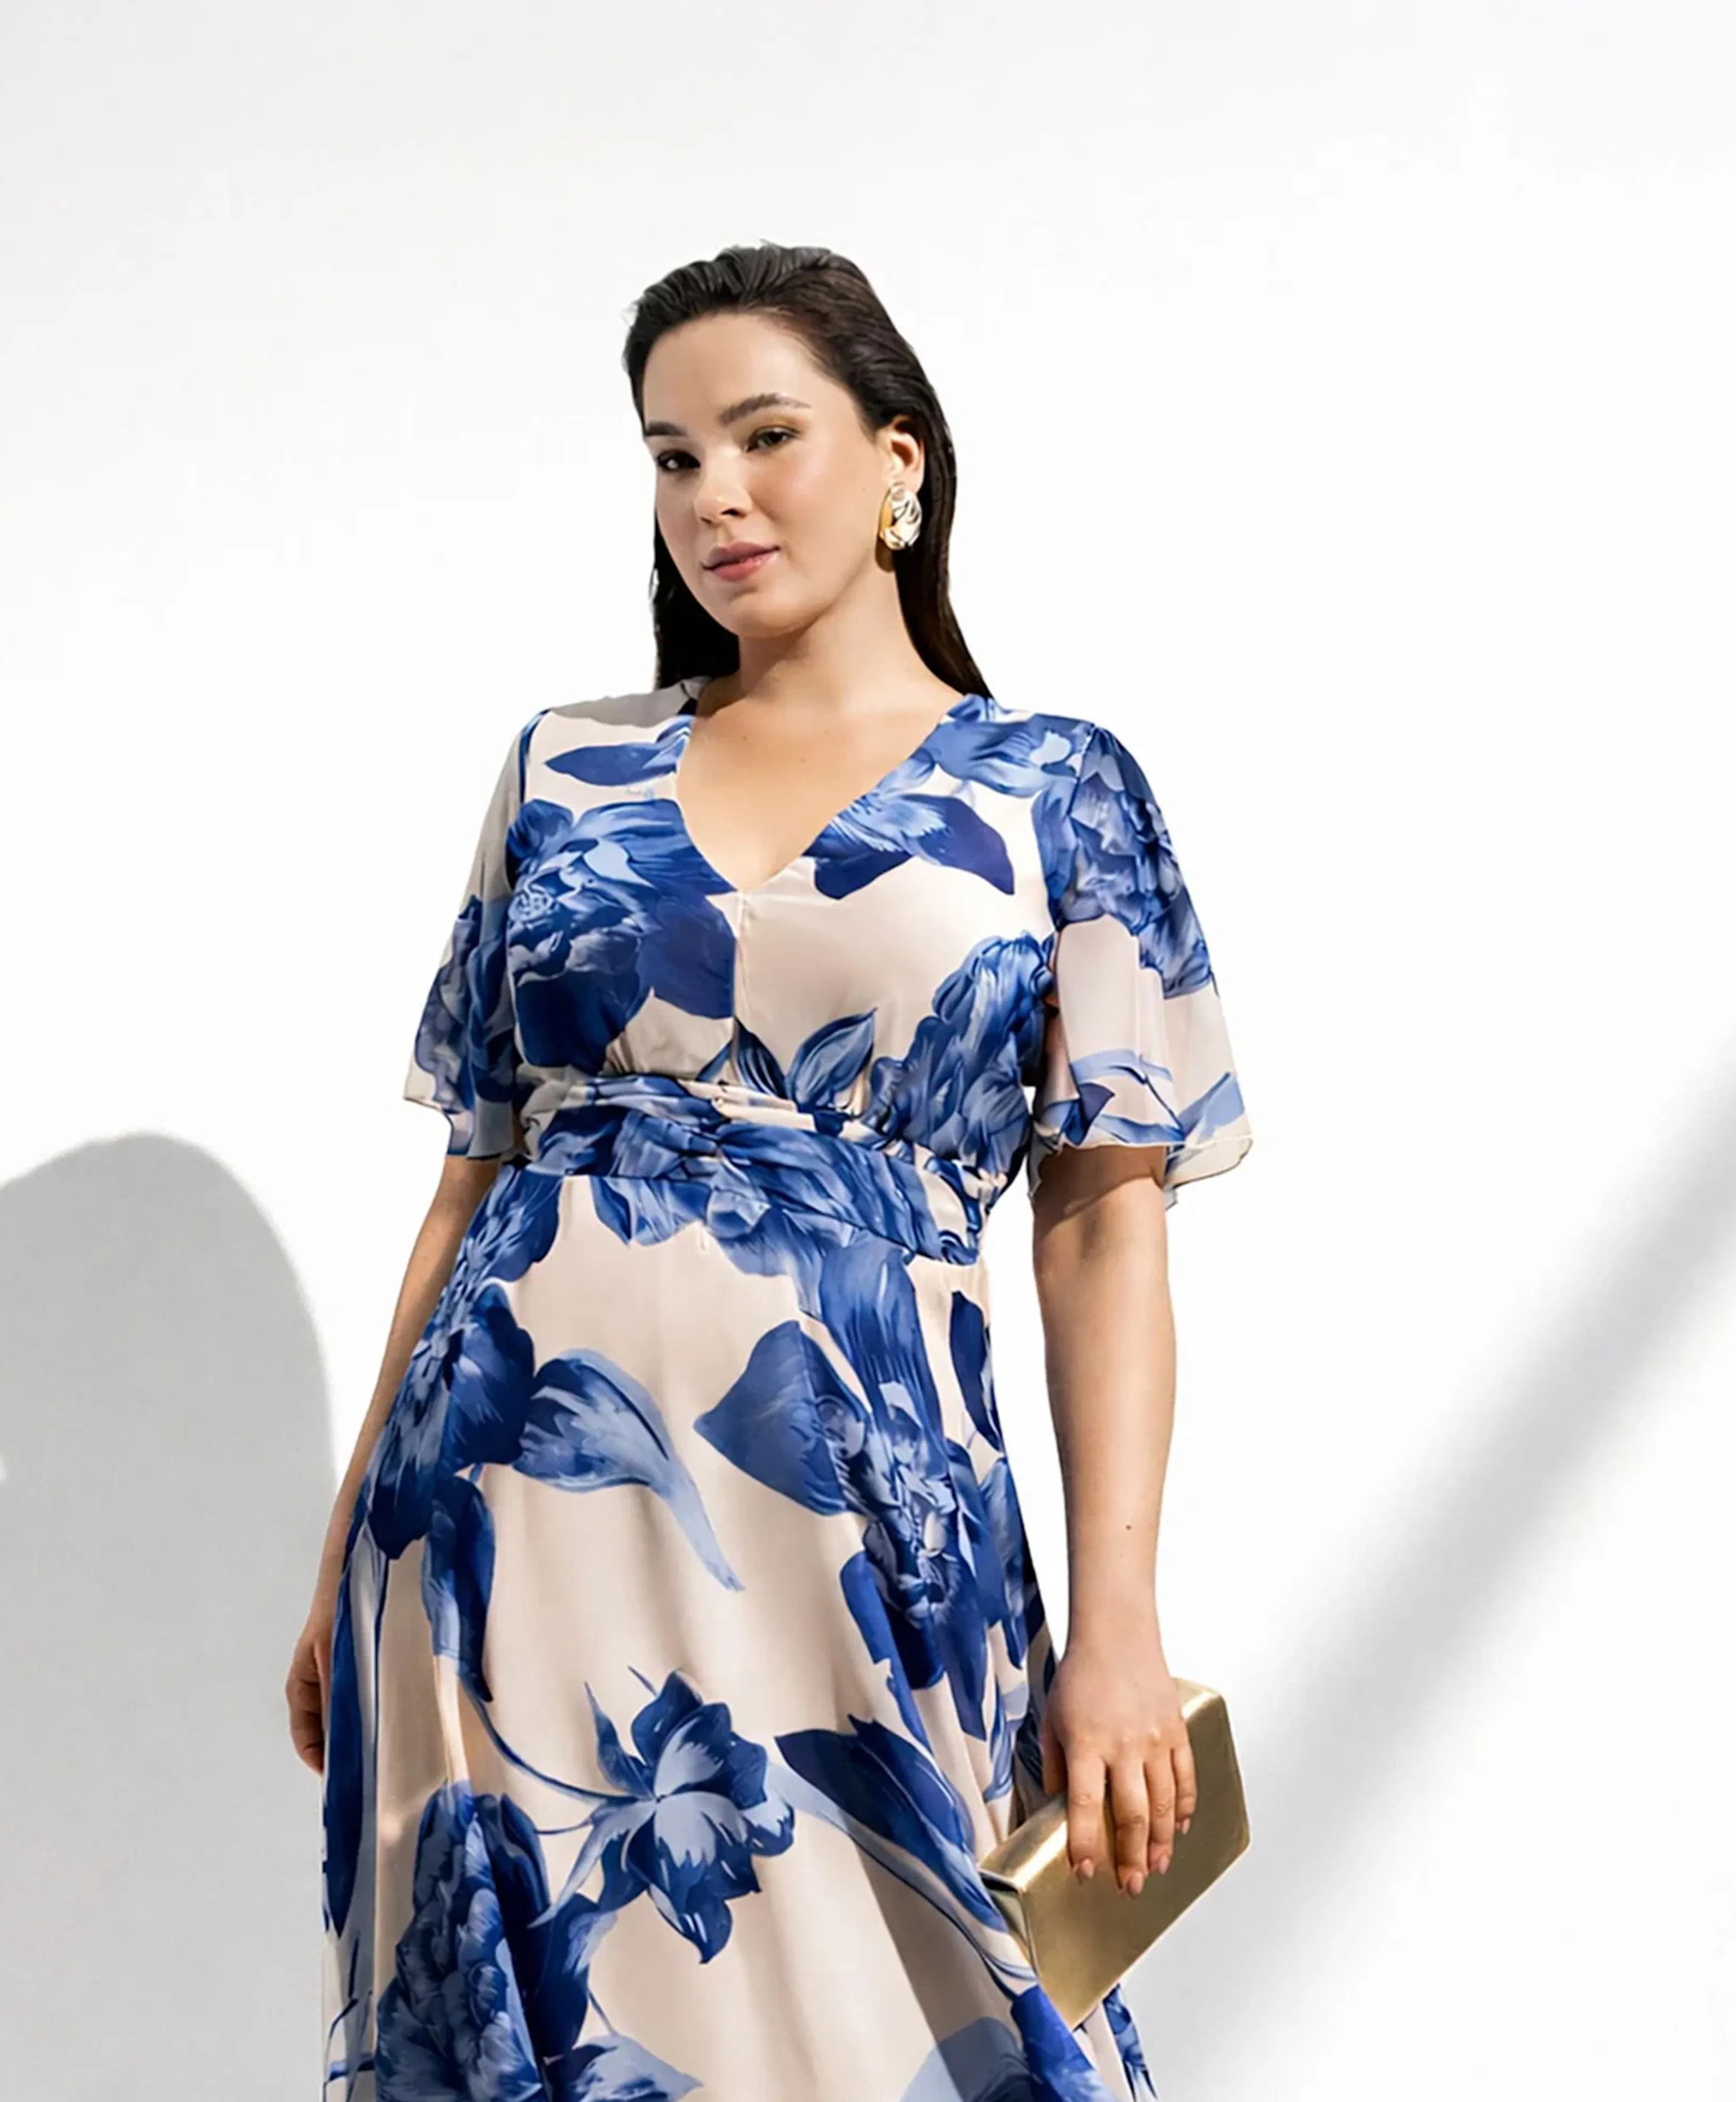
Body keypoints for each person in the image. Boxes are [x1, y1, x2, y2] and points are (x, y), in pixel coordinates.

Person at [285, 241, 1253, 2102]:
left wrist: (1119, 1632)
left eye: (762, 435)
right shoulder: (567, 771)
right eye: (667, 456)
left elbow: (1103, 1228)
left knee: (936, 2013)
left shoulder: (1051, 791)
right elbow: (475, 1179)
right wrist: (347, 1544)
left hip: (862, 1522)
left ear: (901, 464)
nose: (712, 498)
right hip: (502, 1529)